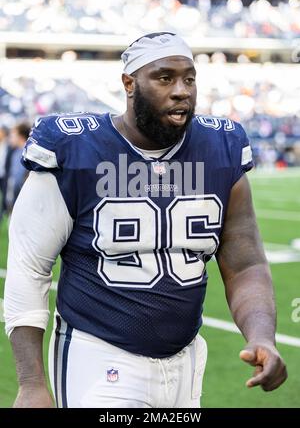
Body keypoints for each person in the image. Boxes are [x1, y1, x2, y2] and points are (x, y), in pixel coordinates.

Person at [4, 32, 287, 408]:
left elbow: (245, 262)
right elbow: (29, 268)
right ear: (129, 83)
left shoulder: (220, 148)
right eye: (165, 77)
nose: (182, 90)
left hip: (185, 359)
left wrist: (262, 336)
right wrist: (31, 382)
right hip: (98, 354)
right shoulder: (76, 149)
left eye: (189, 78)